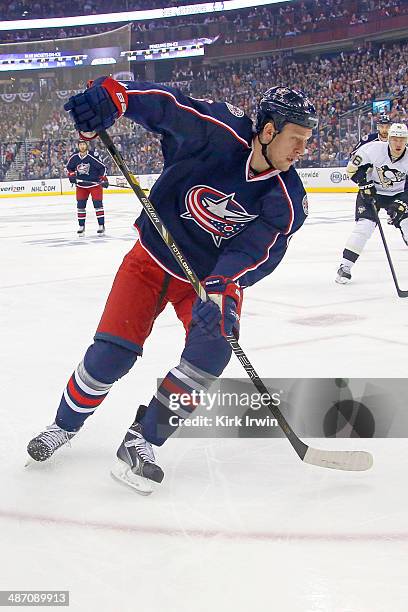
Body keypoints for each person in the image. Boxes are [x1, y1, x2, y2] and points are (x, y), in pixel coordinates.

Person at [27, 78, 317, 494]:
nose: (302, 150)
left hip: (207, 279)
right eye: (296, 139)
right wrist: (120, 96)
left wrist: (222, 285)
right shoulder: (218, 131)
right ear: (268, 130)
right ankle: (64, 425)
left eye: (306, 141)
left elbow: (260, 252)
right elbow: (170, 107)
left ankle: (143, 439)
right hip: (150, 258)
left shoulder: (287, 198)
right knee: (111, 356)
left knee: (212, 353)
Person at [336, 122, 408, 284]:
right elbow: (351, 170)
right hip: (372, 192)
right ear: (388, 139)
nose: (398, 143)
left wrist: (403, 202)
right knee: (364, 227)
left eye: (402, 140)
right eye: (395, 139)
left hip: (397, 194)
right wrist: (363, 182)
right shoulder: (372, 150)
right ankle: (345, 266)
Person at [66, 140, 109, 236]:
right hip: (81, 185)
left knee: (98, 205)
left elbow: (102, 167)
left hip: (94, 185)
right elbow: (69, 168)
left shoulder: (93, 155)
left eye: (83, 144)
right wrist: (71, 174)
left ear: (86, 145)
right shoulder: (74, 157)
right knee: (80, 206)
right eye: (80, 144)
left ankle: (101, 226)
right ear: (78, 146)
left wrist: (103, 178)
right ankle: (81, 226)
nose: (82, 146)